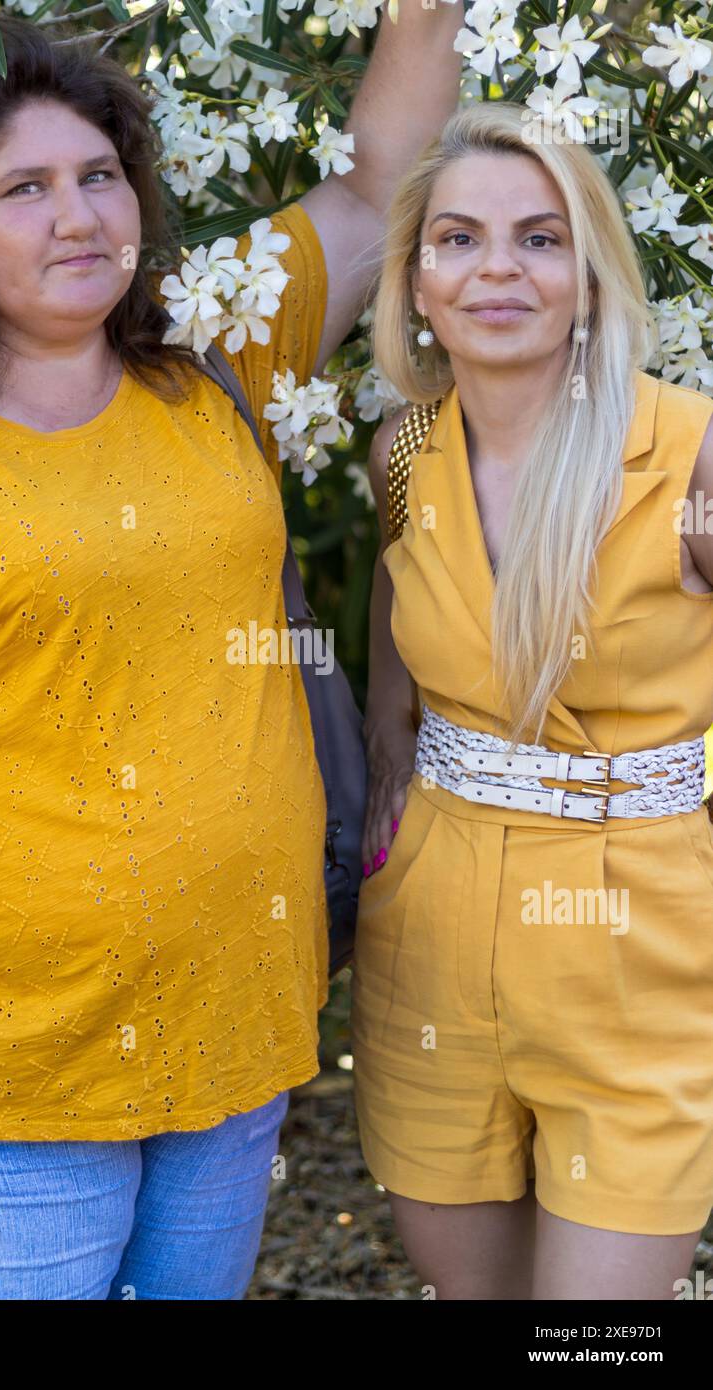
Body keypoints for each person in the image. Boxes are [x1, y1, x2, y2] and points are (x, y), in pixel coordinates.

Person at [0, 9, 464, 1300]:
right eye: (23, 186)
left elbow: (374, 191)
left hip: (230, 1044)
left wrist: (423, 15)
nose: (78, 213)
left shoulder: (210, 348)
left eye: (100, 174)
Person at [352, 99, 713, 1301]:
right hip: (433, 926)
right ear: (412, 282)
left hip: (639, 932)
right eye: (456, 239)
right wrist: (385, 744)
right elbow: (401, 593)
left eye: (539, 238)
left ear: (591, 277)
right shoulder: (404, 449)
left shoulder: (691, 454)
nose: (495, 267)